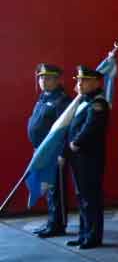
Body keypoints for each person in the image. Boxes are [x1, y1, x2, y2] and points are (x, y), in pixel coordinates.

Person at [66, 65, 110, 249]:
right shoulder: (83, 101)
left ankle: (93, 236)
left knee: (90, 198)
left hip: (89, 156)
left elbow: (91, 127)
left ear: (95, 82)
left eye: (83, 80)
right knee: (81, 196)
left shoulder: (98, 103)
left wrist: (76, 142)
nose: (79, 83)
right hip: (78, 157)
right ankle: (83, 233)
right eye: (78, 80)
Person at [28, 63, 71, 238]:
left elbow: (65, 129)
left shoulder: (62, 100)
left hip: (54, 153)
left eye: (47, 78)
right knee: (47, 186)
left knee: (56, 190)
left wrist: (62, 153)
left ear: (56, 79)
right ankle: (51, 221)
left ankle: (58, 225)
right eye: (41, 78)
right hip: (42, 151)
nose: (43, 81)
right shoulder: (43, 98)